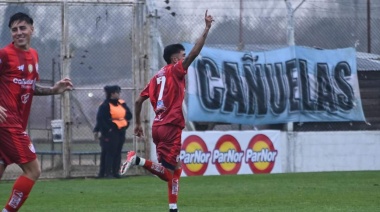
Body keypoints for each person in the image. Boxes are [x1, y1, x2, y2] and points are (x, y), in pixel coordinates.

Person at [120, 10, 214, 212]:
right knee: (167, 173)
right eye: (181, 56)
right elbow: (195, 53)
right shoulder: (176, 70)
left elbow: (138, 101)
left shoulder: (157, 77)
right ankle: (137, 159)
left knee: (177, 168)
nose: (184, 59)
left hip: (158, 127)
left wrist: (137, 123)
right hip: (171, 127)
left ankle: (173, 208)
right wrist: (206, 29)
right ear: (174, 60)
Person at [0, 12, 73, 212]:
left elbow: (29, 87)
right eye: (14, 30)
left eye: (22, 28)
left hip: (16, 123)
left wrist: (53, 90)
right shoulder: (5, 54)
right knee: (33, 170)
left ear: (32, 29)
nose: (18, 33)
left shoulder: (34, 55)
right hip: (8, 123)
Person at [94, 85, 132, 178]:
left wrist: (123, 122)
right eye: (117, 92)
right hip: (110, 132)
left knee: (118, 152)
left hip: (121, 130)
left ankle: (116, 172)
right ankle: (107, 172)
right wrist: (107, 129)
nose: (119, 94)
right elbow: (101, 119)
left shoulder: (121, 103)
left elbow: (129, 115)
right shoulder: (105, 105)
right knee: (109, 152)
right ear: (112, 94)